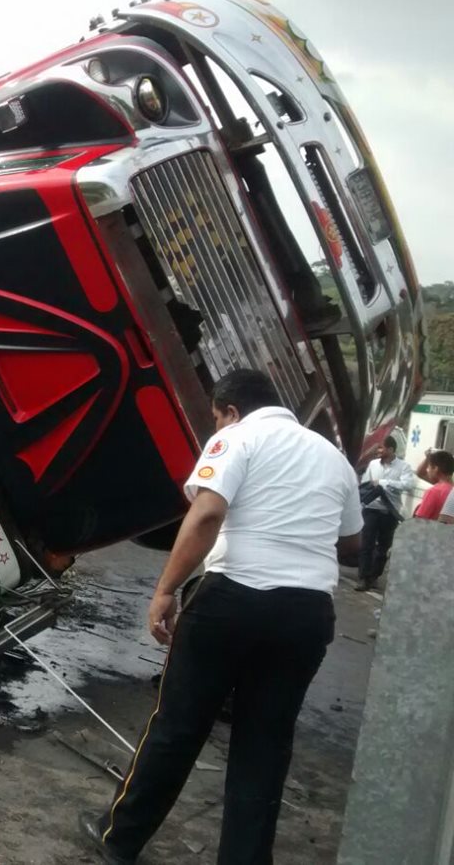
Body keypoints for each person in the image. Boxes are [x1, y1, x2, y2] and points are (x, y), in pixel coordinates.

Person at [78, 368, 361, 865]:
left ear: (231, 410)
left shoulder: (238, 437)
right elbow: (352, 541)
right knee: (265, 746)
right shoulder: (334, 458)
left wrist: (165, 590)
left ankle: (119, 839)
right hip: (307, 614)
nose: (216, 427)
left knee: (178, 725)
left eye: (215, 418)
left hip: (233, 600)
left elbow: (206, 514)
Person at [356, 436, 413, 591]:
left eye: (381, 448)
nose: (378, 451)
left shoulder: (404, 467)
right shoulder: (373, 464)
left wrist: (383, 483)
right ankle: (363, 577)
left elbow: (408, 484)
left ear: (391, 449)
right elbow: (366, 485)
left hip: (389, 511)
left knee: (383, 547)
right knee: (366, 544)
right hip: (371, 509)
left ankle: (374, 576)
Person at [413, 448, 454, 524]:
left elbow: (418, 523)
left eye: (429, 467)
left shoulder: (434, 492)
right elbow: (420, 473)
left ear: (435, 468)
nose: (428, 470)